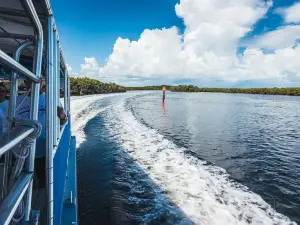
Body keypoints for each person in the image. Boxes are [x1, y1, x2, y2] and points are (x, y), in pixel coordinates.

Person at [16, 78, 67, 188]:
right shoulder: (17, 101)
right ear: (25, 82)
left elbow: (63, 123)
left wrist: (62, 116)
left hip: (45, 150)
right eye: (30, 79)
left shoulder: (52, 100)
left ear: (43, 82)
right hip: (23, 150)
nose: (35, 81)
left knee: (43, 178)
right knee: (23, 180)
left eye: (40, 79)